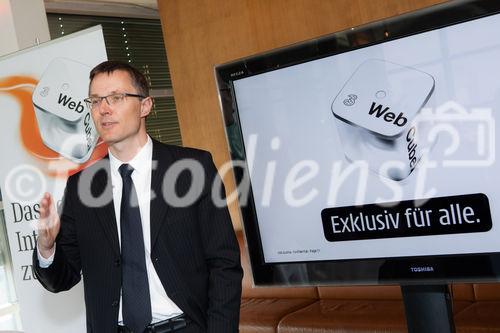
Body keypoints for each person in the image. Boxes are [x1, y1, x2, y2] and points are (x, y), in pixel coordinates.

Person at [33, 60, 243, 333]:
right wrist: (48, 248)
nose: (103, 109)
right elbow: (61, 278)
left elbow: (224, 263)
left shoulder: (193, 169)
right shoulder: (81, 187)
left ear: (145, 105)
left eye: (116, 98)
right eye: (95, 101)